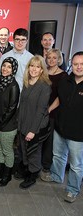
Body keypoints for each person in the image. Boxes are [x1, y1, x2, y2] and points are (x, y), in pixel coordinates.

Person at [41, 51, 83, 203]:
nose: (78, 67)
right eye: (76, 64)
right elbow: (59, 98)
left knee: (76, 165)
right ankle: (56, 176)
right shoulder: (66, 80)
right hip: (60, 127)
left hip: (78, 133)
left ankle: (72, 189)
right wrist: (49, 110)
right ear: (71, 64)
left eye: (82, 64)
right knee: (59, 155)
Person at [17, 55, 51, 189]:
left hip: (36, 125)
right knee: (23, 149)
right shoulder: (27, 82)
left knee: (33, 151)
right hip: (24, 122)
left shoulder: (45, 86)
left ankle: (32, 175)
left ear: (42, 70)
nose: (34, 69)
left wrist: (32, 131)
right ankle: (27, 169)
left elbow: (41, 111)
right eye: (32, 66)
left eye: (38, 67)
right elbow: (23, 104)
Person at [0, 57, 20, 187]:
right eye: (4, 66)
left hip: (7, 126)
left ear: (13, 70)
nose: (5, 69)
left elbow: (12, 108)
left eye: (9, 67)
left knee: (7, 151)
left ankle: (7, 176)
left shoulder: (14, 86)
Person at [41, 49, 67, 175]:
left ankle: (46, 165)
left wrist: (49, 109)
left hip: (53, 112)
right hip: (40, 111)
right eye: (49, 57)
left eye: (54, 58)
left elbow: (60, 97)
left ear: (59, 59)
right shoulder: (43, 71)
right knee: (40, 137)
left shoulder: (63, 75)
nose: (51, 60)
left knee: (49, 140)